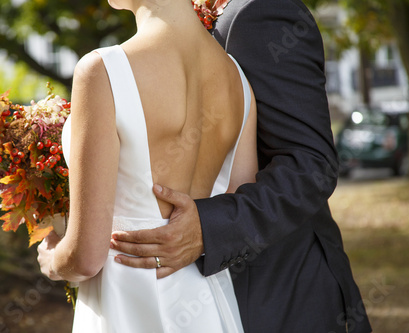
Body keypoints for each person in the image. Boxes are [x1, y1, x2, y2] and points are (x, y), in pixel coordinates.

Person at [109, 0, 373, 332]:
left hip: (279, 293)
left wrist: (207, 229)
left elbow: (310, 165)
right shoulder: (181, 22)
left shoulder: (262, 12)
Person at [37, 0, 258, 331]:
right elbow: (239, 205)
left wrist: (53, 259)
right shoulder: (238, 80)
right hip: (208, 304)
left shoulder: (102, 70)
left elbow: (85, 259)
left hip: (126, 304)